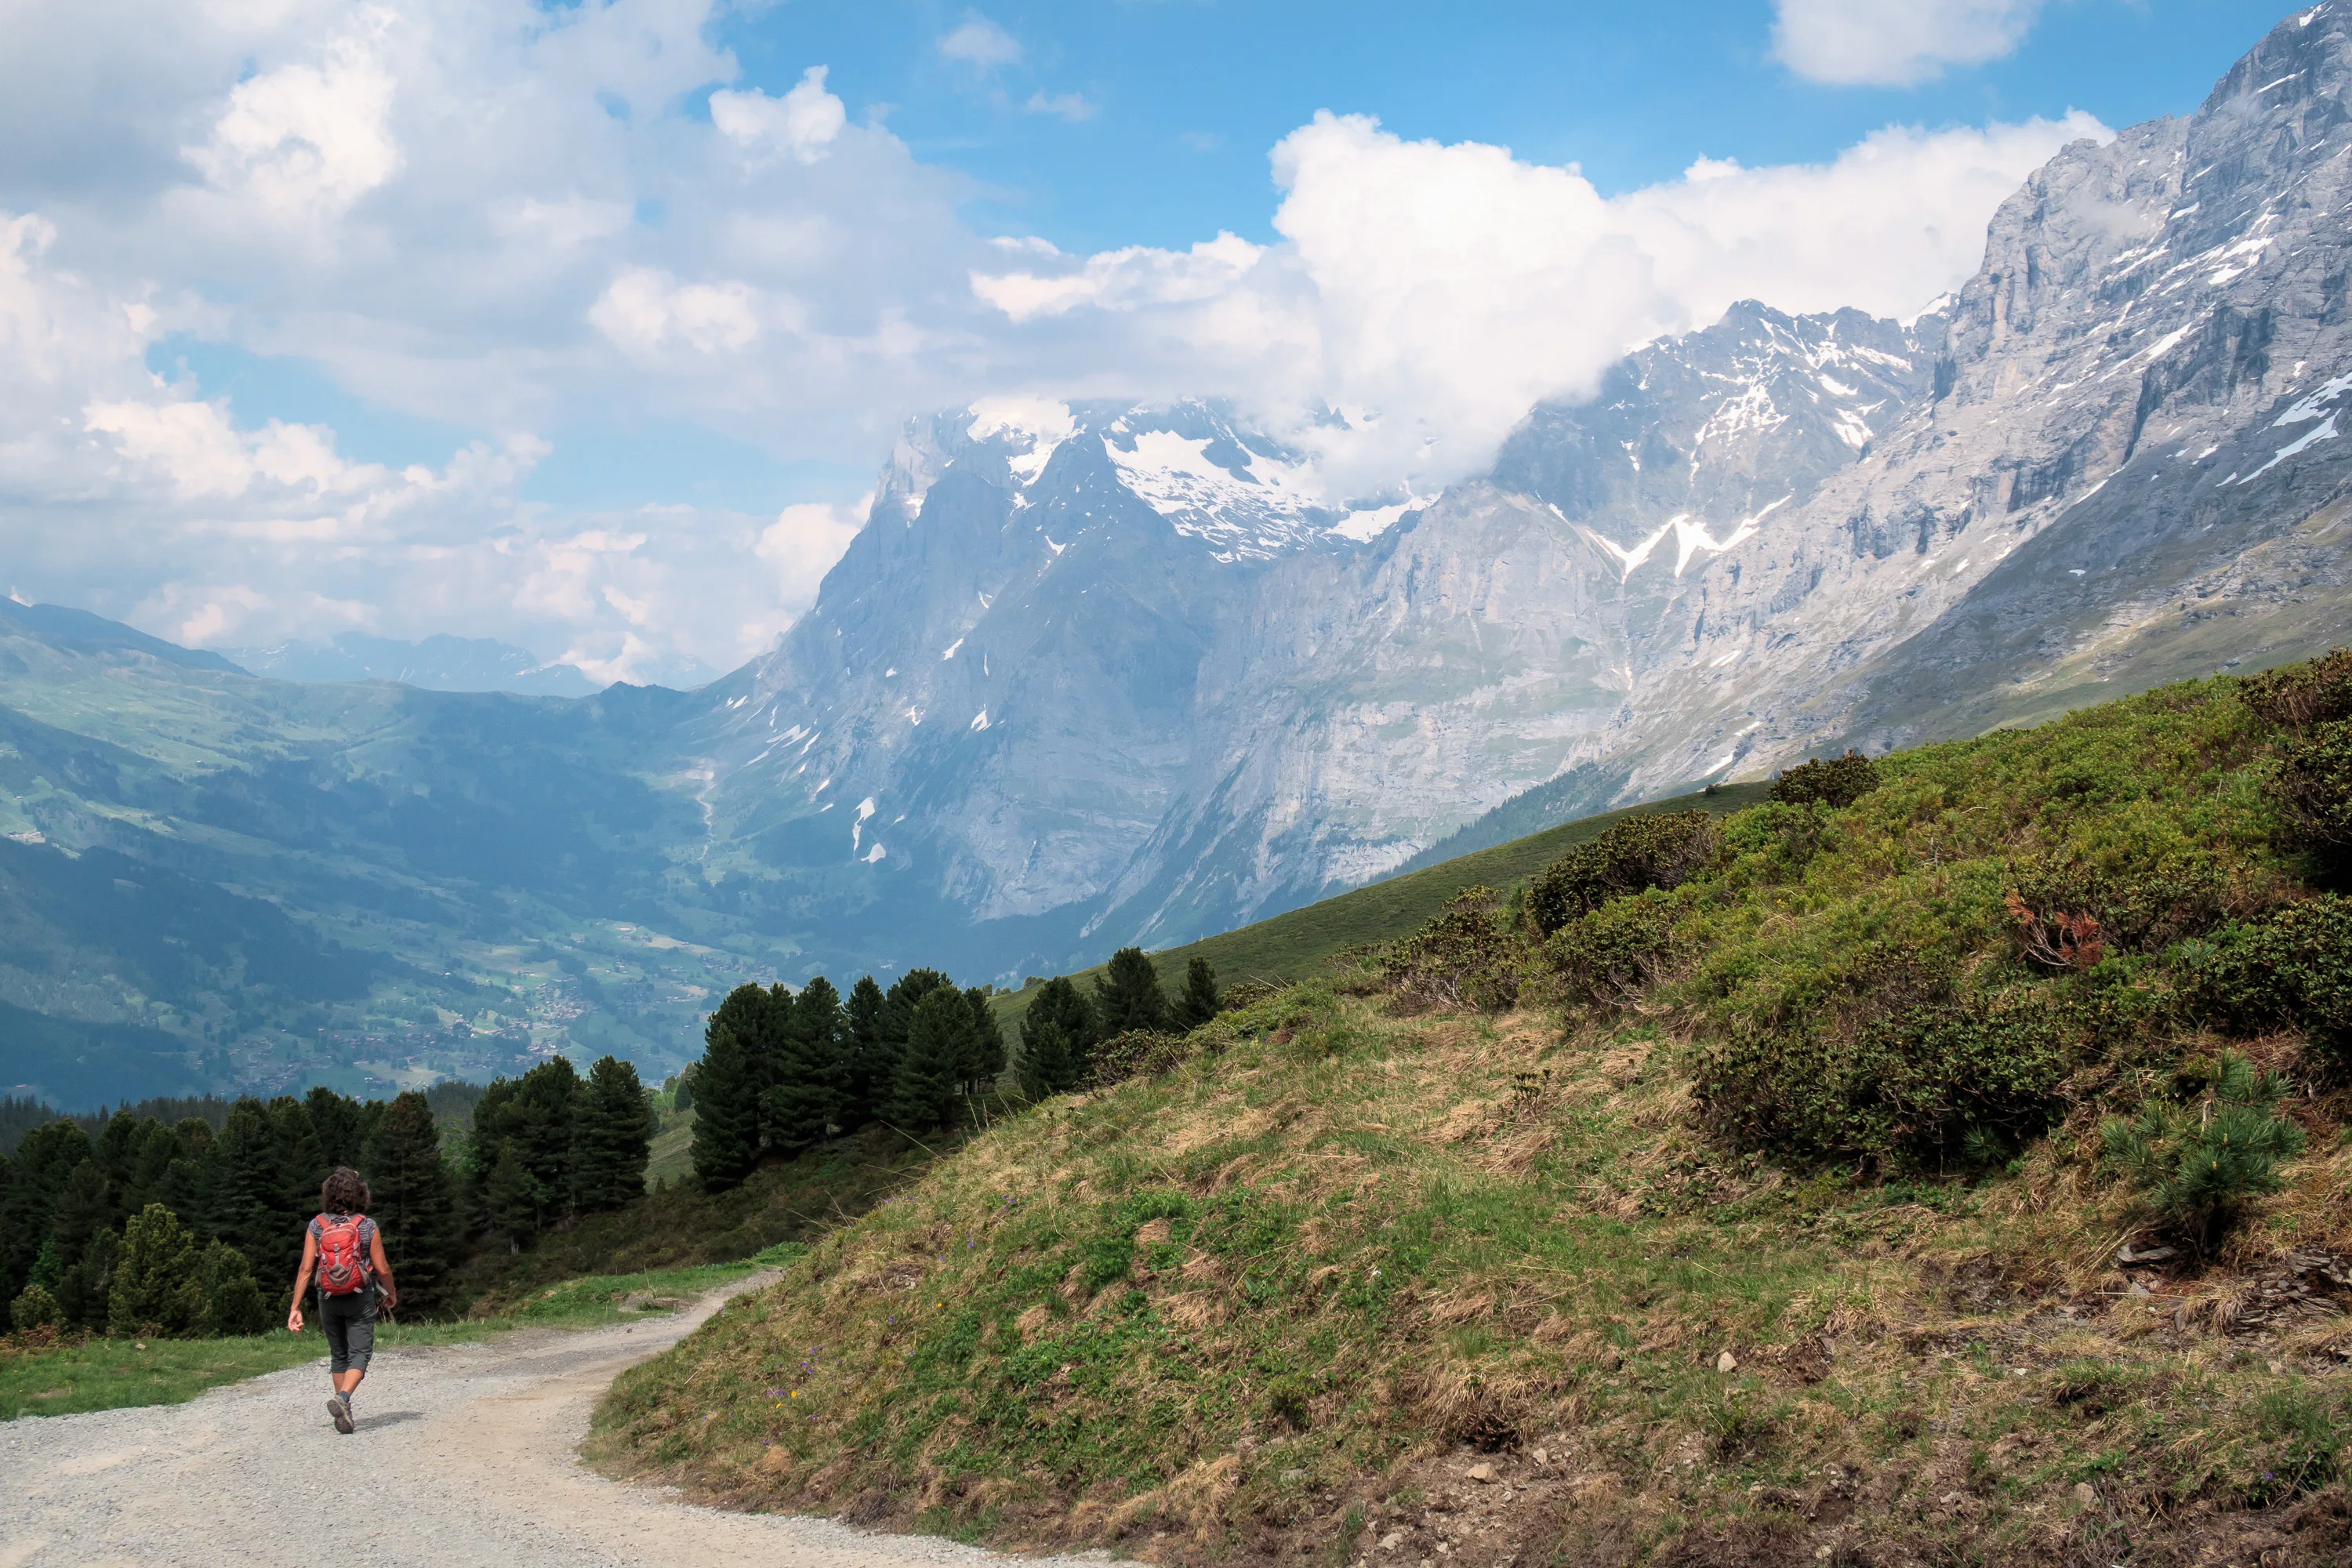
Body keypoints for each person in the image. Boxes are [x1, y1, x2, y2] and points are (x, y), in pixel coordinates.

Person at [285, 1166, 397, 1435]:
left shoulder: (317, 1225)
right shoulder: (367, 1226)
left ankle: (344, 1412)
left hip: (327, 1298)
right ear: (360, 1195)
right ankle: (343, 1399)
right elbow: (382, 1269)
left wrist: (295, 1307)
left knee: (339, 1355)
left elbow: (305, 1269)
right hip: (360, 1298)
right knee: (360, 1353)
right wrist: (391, 1293)